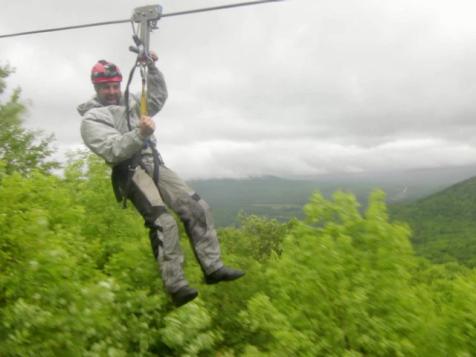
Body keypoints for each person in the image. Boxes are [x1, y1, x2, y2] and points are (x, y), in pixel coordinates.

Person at [77, 53, 244, 307]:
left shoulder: (130, 101)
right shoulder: (92, 119)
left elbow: (156, 98)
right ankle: (176, 286)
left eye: (114, 85)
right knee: (163, 222)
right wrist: (140, 133)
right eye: (105, 87)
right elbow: (112, 150)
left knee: (196, 206)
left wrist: (151, 67)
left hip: (152, 161)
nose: (111, 91)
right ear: (96, 88)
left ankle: (213, 267)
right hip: (128, 170)